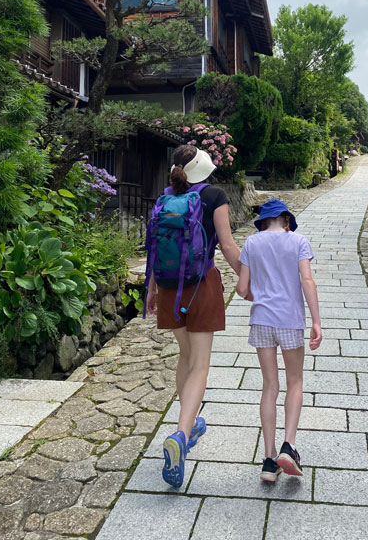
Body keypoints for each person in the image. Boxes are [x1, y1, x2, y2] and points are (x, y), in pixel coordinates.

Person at [145, 145, 241, 488]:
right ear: (204, 167)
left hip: (170, 286)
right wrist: (248, 277)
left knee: (185, 357)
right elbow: (227, 245)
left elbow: (155, 247)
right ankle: (181, 436)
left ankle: (191, 419)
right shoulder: (214, 195)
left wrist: (152, 289)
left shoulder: (166, 196)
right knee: (201, 364)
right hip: (202, 284)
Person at [236, 199, 322, 481]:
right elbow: (307, 281)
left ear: (263, 221)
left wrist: (256, 296)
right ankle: (289, 446)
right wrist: (316, 321)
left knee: (269, 386)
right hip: (289, 320)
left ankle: (269, 460)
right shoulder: (298, 241)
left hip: (261, 320)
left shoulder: (251, 243)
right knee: (294, 382)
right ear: (286, 219)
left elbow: (241, 288)